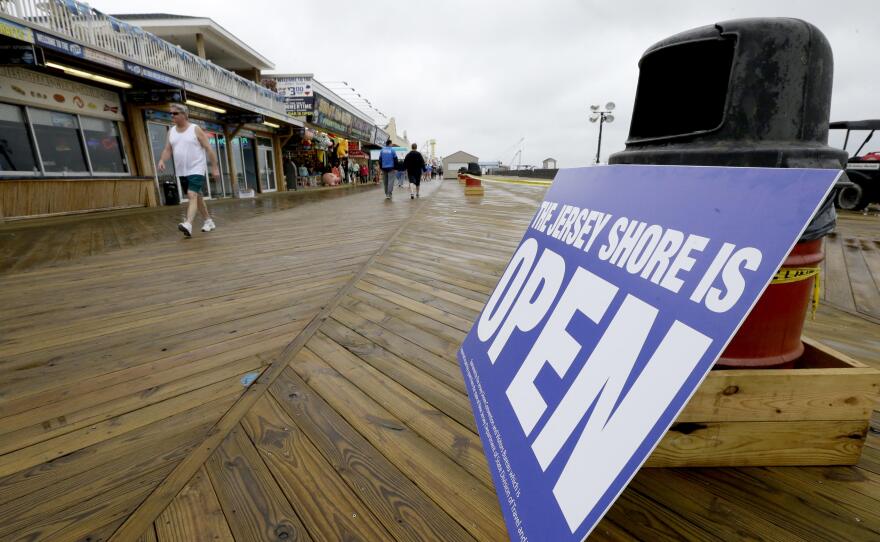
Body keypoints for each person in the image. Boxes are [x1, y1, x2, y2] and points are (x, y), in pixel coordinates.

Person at [158, 103, 220, 237]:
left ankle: (188, 224)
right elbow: (167, 149)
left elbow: (209, 149)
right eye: (171, 113)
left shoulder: (195, 129)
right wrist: (162, 160)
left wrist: (214, 167)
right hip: (182, 171)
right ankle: (208, 221)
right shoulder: (171, 131)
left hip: (197, 168)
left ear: (184, 115)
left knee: (192, 194)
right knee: (196, 197)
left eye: (175, 113)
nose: (172, 116)